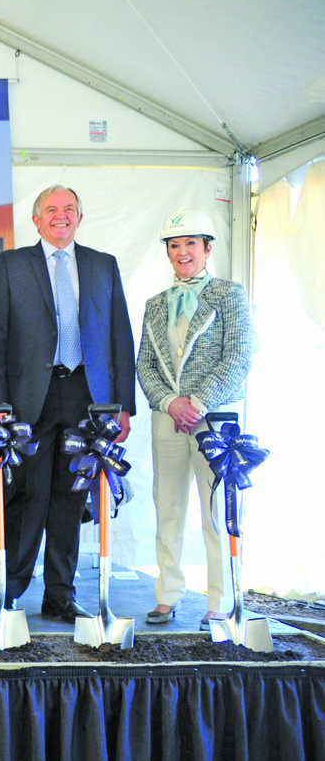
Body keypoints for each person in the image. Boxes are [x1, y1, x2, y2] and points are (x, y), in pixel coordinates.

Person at [0, 185, 136, 622]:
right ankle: (10, 593)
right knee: (27, 496)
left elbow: (120, 335)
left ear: (80, 218)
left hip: (87, 399)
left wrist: (123, 406)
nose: (60, 216)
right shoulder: (11, 264)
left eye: (69, 210)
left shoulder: (104, 266)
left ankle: (60, 595)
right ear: (36, 219)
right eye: (51, 210)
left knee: (72, 498)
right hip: (29, 400)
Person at [136, 208, 253, 629]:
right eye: (174, 245)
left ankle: (219, 600)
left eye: (190, 244)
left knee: (215, 513)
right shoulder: (155, 305)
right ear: (167, 253)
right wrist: (170, 403)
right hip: (168, 418)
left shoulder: (229, 294)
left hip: (213, 419)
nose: (182, 252)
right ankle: (167, 595)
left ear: (207, 248)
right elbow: (145, 363)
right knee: (167, 507)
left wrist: (198, 401)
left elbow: (240, 356)